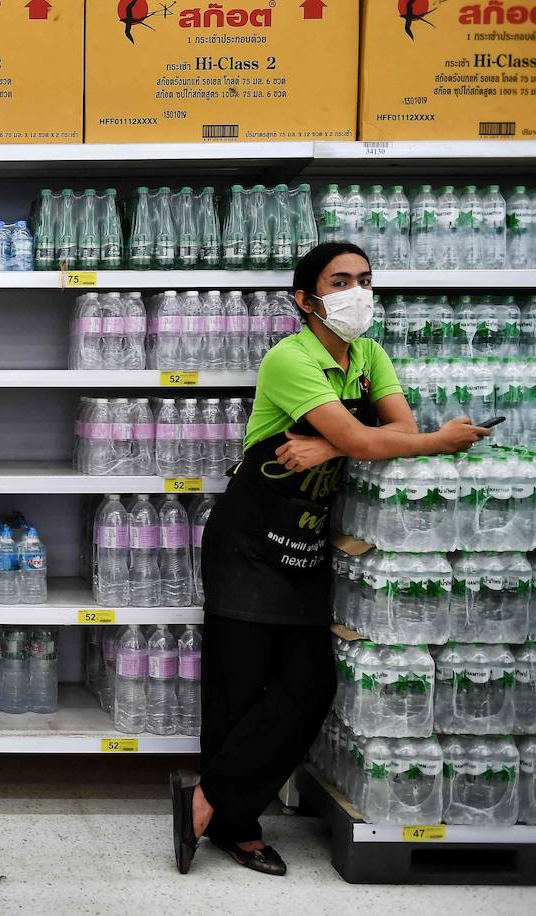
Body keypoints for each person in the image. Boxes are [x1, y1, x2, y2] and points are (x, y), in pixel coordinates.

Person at [170, 242, 490, 876]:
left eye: (365, 281)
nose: (357, 293)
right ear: (304, 298)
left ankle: (204, 798)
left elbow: (390, 434)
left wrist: (327, 449)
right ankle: (237, 825)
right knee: (237, 693)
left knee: (309, 686)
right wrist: (427, 441)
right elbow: (372, 437)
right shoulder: (291, 359)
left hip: (307, 545)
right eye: (340, 281)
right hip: (250, 544)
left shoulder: (368, 357)